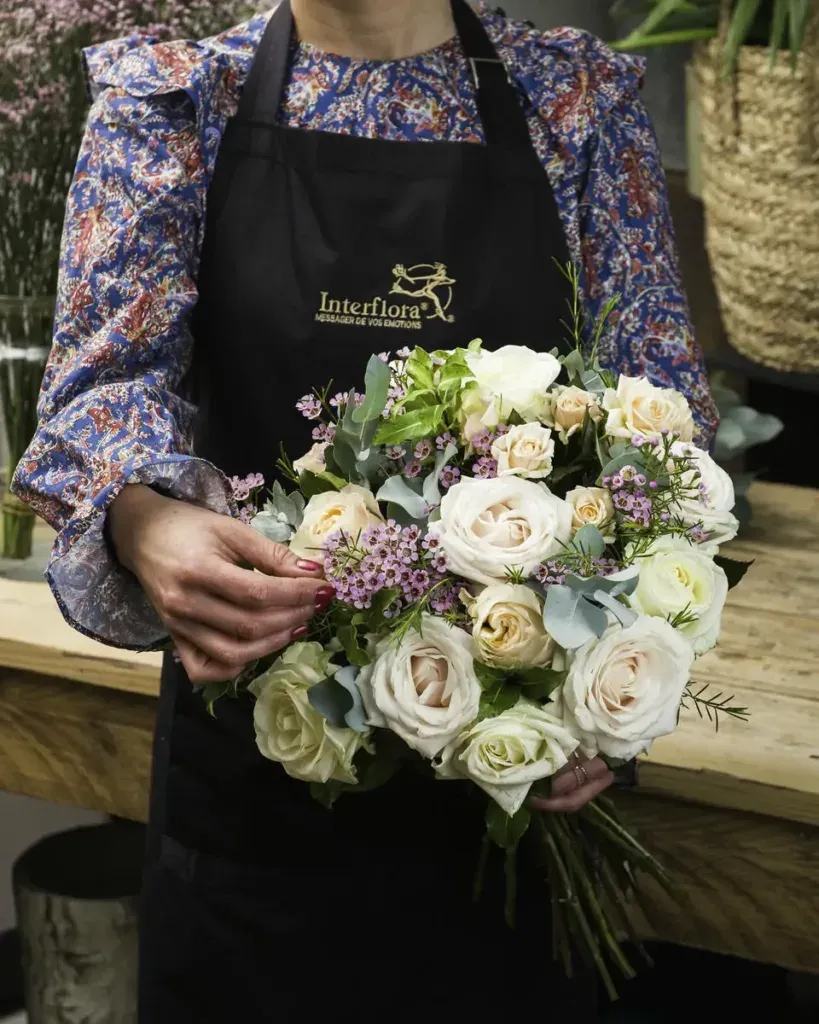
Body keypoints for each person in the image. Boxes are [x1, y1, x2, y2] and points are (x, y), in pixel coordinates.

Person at [13, 1, 718, 1020]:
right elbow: (101, 392)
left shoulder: (574, 102)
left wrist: (615, 682)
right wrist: (143, 517)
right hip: (255, 817)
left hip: (518, 812)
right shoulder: (173, 105)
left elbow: (663, 438)